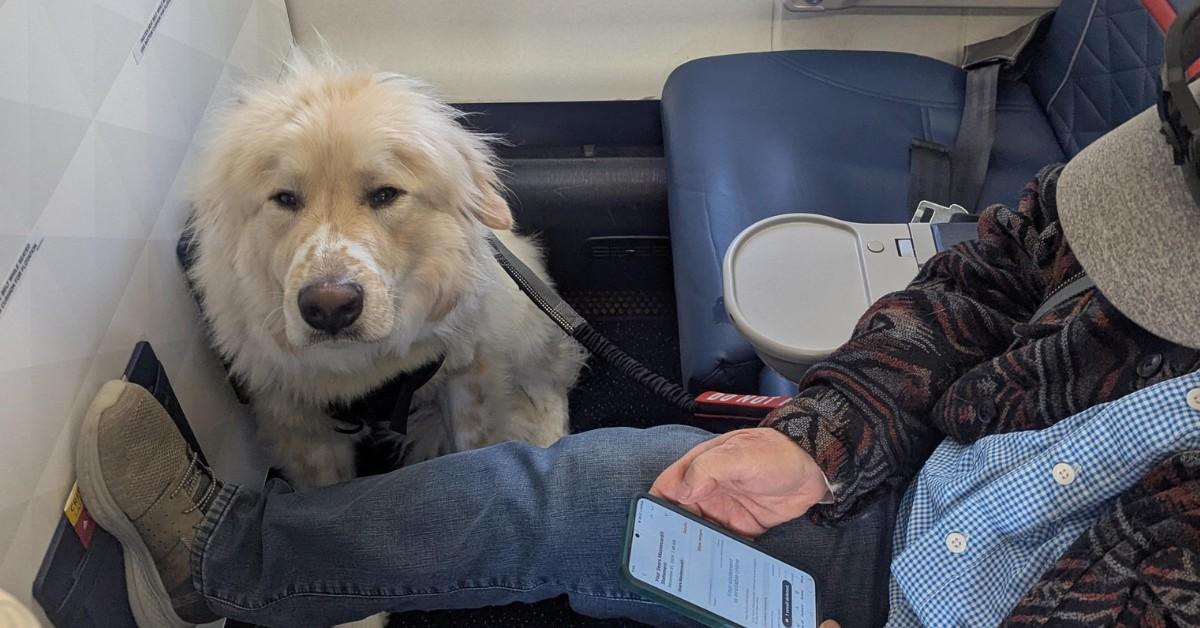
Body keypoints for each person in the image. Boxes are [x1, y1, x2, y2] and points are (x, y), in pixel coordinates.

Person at [75, 78, 1200, 628]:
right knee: (579, 489)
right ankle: (223, 559)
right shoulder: (1152, 165)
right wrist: (826, 435)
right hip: (914, 507)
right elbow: (989, 275)